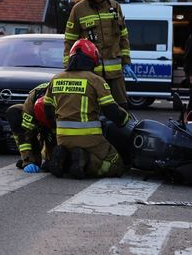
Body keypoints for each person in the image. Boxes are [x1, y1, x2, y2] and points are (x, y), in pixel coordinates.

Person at [44, 39, 129, 179]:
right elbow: (111, 111)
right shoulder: (95, 80)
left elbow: (48, 111)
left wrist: (57, 130)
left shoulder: (56, 79)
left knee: (72, 155)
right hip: (89, 138)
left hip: (62, 138)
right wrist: (125, 118)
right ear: (93, 59)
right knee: (115, 164)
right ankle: (86, 160)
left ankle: (64, 157)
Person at [63, 0, 133, 110]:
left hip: (115, 74)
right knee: (93, 108)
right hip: (91, 72)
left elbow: (123, 36)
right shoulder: (78, 10)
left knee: (121, 108)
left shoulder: (115, 7)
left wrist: (126, 62)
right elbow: (70, 40)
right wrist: (68, 66)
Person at [5, 82, 56, 173]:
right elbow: (25, 134)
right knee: (14, 112)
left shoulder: (65, 98)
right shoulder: (35, 95)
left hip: (58, 124)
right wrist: (27, 160)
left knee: (53, 163)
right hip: (38, 122)